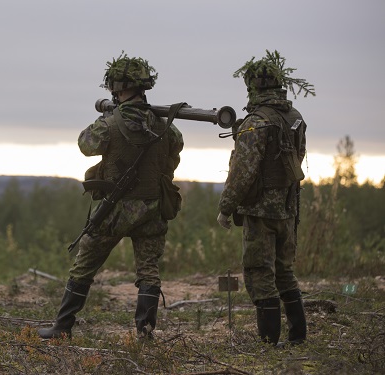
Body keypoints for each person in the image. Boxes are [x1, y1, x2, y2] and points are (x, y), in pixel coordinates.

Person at [38, 52, 184, 340]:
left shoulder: (110, 123)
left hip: (115, 209)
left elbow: (85, 144)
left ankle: (62, 326)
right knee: (148, 271)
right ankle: (145, 332)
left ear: (116, 87)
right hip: (152, 207)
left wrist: (107, 118)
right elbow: (174, 151)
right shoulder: (164, 124)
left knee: (84, 265)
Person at [216, 50, 315, 346]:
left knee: (260, 273)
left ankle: (268, 342)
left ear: (253, 87)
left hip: (260, 213)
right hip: (287, 208)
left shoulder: (255, 123)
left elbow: (242, 173)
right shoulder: (295, 118)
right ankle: (298, 335)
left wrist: (225, 208)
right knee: (284, 272)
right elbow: (299, 157)